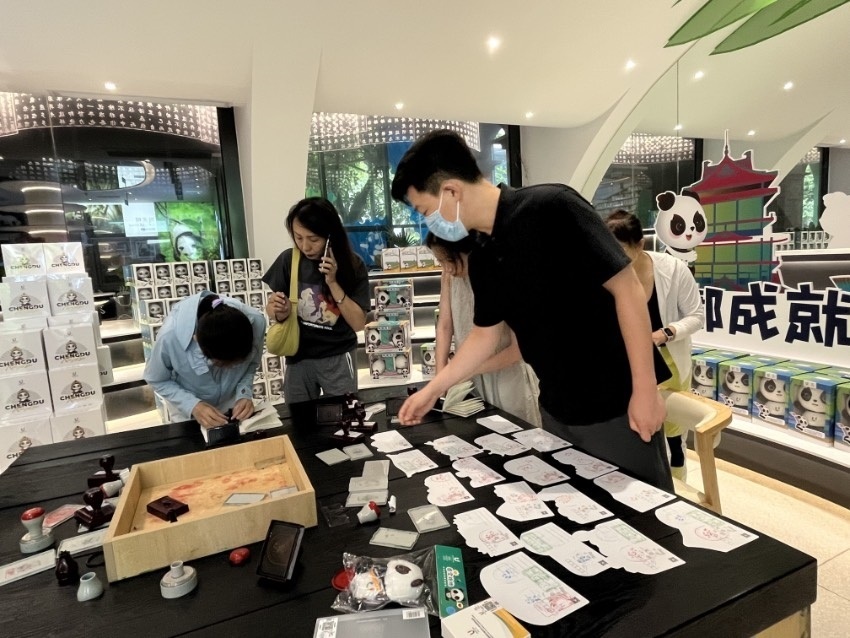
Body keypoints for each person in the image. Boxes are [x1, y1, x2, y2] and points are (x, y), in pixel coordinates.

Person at [391, 129, 673, 490]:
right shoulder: (483, 255)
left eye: (425, 211)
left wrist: (645, 390)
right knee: (582, 508)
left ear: (451, 191)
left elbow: (628, 290)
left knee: (643, 510)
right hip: (556, 407)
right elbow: (484, 335)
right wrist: (434, 388)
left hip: (617, 404)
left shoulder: (552, 206)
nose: (428, 222)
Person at [605, 209, 705, 480]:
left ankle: (676, 485)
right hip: (626, 367)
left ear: (640, 245)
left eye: (620, 250)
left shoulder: (673, 269)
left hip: (668, 366)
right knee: (637, 432)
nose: (613, 258)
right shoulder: (606, 273)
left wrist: (666, 333)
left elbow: (697, 316)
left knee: (673, 437)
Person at [426, 231, 542, 427]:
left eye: (449, 260)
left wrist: (464, 370)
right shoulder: (448, 276)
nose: (447, 268)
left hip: (507, 378)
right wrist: (441, 377)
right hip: (470, 379)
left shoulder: (501, 273)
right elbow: (444, 326)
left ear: (465, 251)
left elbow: (518, 350)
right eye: (440, 261)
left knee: (515, 433)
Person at [262, 197, 369, 403]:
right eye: (298, 237)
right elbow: (273, 310)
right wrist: (277, 309)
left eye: (313, 239)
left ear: (330, 236)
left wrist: (333, 282)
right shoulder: (288, 260)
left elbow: (358, 323)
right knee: (299, 418)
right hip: (298, 357)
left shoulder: (353, 265)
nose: (305, 246)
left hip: (337, 356)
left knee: (343, 416)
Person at [143, 291, 266, 428]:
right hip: (189, 412)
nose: (231, 369)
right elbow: (156, 379)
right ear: (198, 342)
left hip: (233, 409)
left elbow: (252, 364)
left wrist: (244, 393)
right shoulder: (169, 337)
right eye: (222, 364)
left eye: (238, 364)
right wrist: (192, 405)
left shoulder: (256, 323)